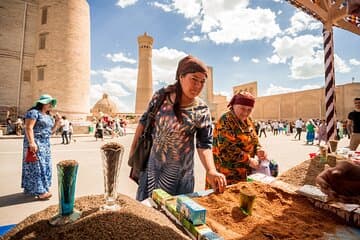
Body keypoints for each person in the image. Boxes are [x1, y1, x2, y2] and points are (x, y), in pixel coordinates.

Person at [130, 55, 227, 201]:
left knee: (175, 219)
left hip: (181, 179)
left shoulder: (201, 110)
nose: (198, 86)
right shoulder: (161, 97)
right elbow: (144, 122)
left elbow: (204, 145)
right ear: (181, 76)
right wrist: (133, 153)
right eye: (194, 79)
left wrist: (211, 170)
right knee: (148, 216)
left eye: (202, 82)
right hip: (152, 173)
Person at [209, 91, 268, 185]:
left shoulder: (248, 120)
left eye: (249, 109)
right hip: (227, 174)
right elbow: (227, 148)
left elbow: (254, 140)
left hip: (245, 173)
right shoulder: (226, 120)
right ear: (233, 105)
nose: (246, 113)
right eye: (242, 108)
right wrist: (248, 160)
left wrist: (259, 149)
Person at [22, 94, 60, 200]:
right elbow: (29, 127)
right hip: (36, 142)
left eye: (52, 103)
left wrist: (57, 122)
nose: (51, 105)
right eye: (49, 102)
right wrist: (31, 142)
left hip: (45, 144)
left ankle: (36, 188)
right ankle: (40, 191)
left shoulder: (48, 116)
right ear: (43, 103)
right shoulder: (33, 113)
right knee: (36, 166)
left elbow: (50, 132)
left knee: (45, 166)